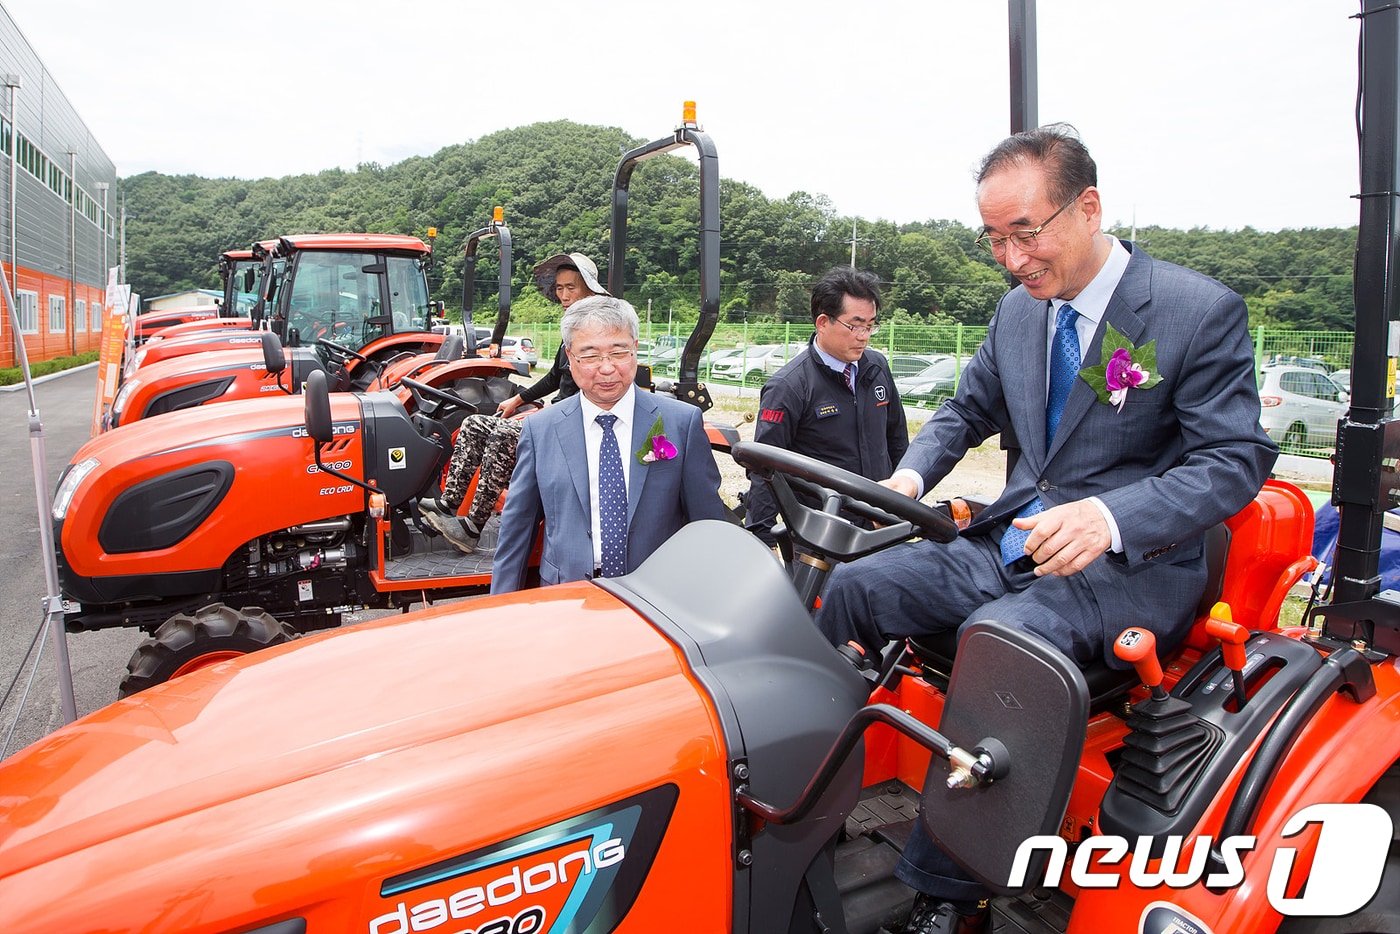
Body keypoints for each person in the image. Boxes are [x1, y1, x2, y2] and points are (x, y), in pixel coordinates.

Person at [813, 125, 1277, 934]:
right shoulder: (1019, 315)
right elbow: (966, 410)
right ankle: (811, 801)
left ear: (1088, 208)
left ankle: (950, 898)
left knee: (999, 643)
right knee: (854, 584)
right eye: (995, 239)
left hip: (1127, 570)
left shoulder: (1194, 312)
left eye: (1026, 233)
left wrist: (1109, 516)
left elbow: (1233, 460)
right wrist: (908, 479)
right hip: (1013, 543)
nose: (1012, 259)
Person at [490, 294, 728, 594]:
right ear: (570, 357)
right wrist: (500, 607)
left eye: (618, 353)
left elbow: (707, 527)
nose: (606, 368)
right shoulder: (540, 430)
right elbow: (516, 532)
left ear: (635, 349)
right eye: (590, 356)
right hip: (566, 596)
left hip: (658, 596)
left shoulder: (681, 423)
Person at [422, 252, 606, 553]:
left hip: (577, 421)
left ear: (589, 289)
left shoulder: (597, 329)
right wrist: (516, 399)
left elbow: (593, 387)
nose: (563, 295)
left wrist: (551, 414)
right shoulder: (572, 328)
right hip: (560, 414)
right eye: (559, 288)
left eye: (570, 287)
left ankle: (471, 528)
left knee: (503, 434)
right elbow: (555, 378)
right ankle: (449, 502)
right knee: (474, 423)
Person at [743, 266, 908, 546]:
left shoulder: (877, 367)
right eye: (855, 326)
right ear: (822, 322)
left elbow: (897, 441)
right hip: (823, 536)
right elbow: (765, 470)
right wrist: (763, 540)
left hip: (882, 525)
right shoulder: (789, 386)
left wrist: (901, 504)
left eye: (870, 325)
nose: (864, 336)